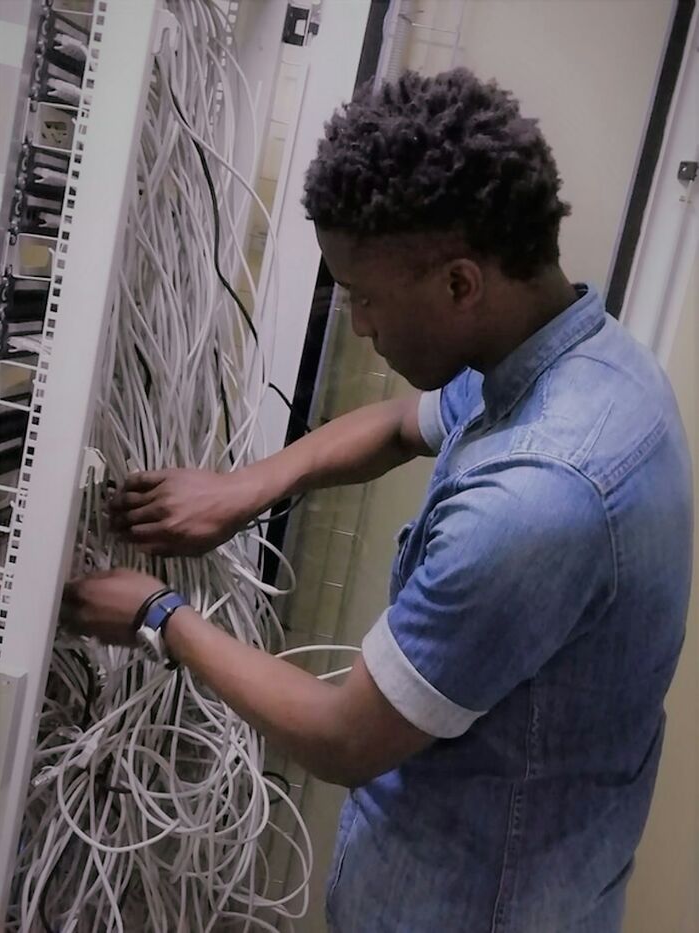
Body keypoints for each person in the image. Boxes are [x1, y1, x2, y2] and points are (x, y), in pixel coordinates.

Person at [63, 69, 693, 932]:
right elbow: (404, 423)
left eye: (364, 298)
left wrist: (157, 613)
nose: (358, 325)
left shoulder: (539, 498)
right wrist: (250, 485)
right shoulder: (581, 360)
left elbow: (343, 736)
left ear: (461, 284)